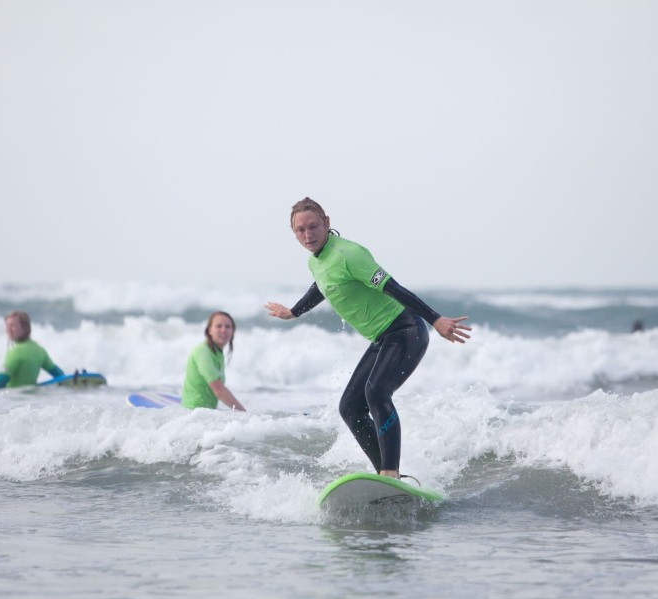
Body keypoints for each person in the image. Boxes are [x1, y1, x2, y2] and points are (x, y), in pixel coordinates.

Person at [264, 197, 471, 480]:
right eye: (300, 230)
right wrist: (293, 312)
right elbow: (322, 285)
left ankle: (390, 473)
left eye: (313, 226)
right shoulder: (317, 261)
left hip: (406, 329)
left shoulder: (350, 254)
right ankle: (386, 479)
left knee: (376, 392)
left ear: (327, 222)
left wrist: (435, 319)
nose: (308, 235)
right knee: (350, 407)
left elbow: (394, 287)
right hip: (382, 337)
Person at [0, 310, 64, 390]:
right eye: (7, 326)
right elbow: (60, 376)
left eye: (13, 325)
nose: (8, 329)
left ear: (25, 328)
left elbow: (0, 382)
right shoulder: (40, 350)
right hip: (33, 403)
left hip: (13, 403)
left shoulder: (15, 352)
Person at [181, 311, 246, 411]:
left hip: (206, 413)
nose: (223, 330)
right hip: (192, 413)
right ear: (209, 330)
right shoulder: (203, 352)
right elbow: (219, 390)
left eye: (228, 327)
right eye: (219, 326)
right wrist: (245, 414)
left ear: (233, 331)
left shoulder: (218, 353)